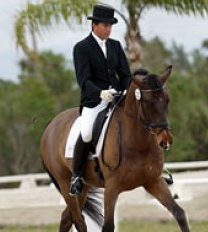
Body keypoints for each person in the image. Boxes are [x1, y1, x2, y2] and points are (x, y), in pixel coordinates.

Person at [70, 4, 131, 196]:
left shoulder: (115, 45)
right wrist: (101, 93)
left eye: (110, 25)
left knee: (140, 120)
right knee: (87, 132)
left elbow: (125, 74)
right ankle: (76, 176)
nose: (108, 29)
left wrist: (125, 90)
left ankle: (156, 167)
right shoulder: (81, 48)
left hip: (117, 98)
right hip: (94, 100)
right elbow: (83, 80)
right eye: (105, 25)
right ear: (94, 25)